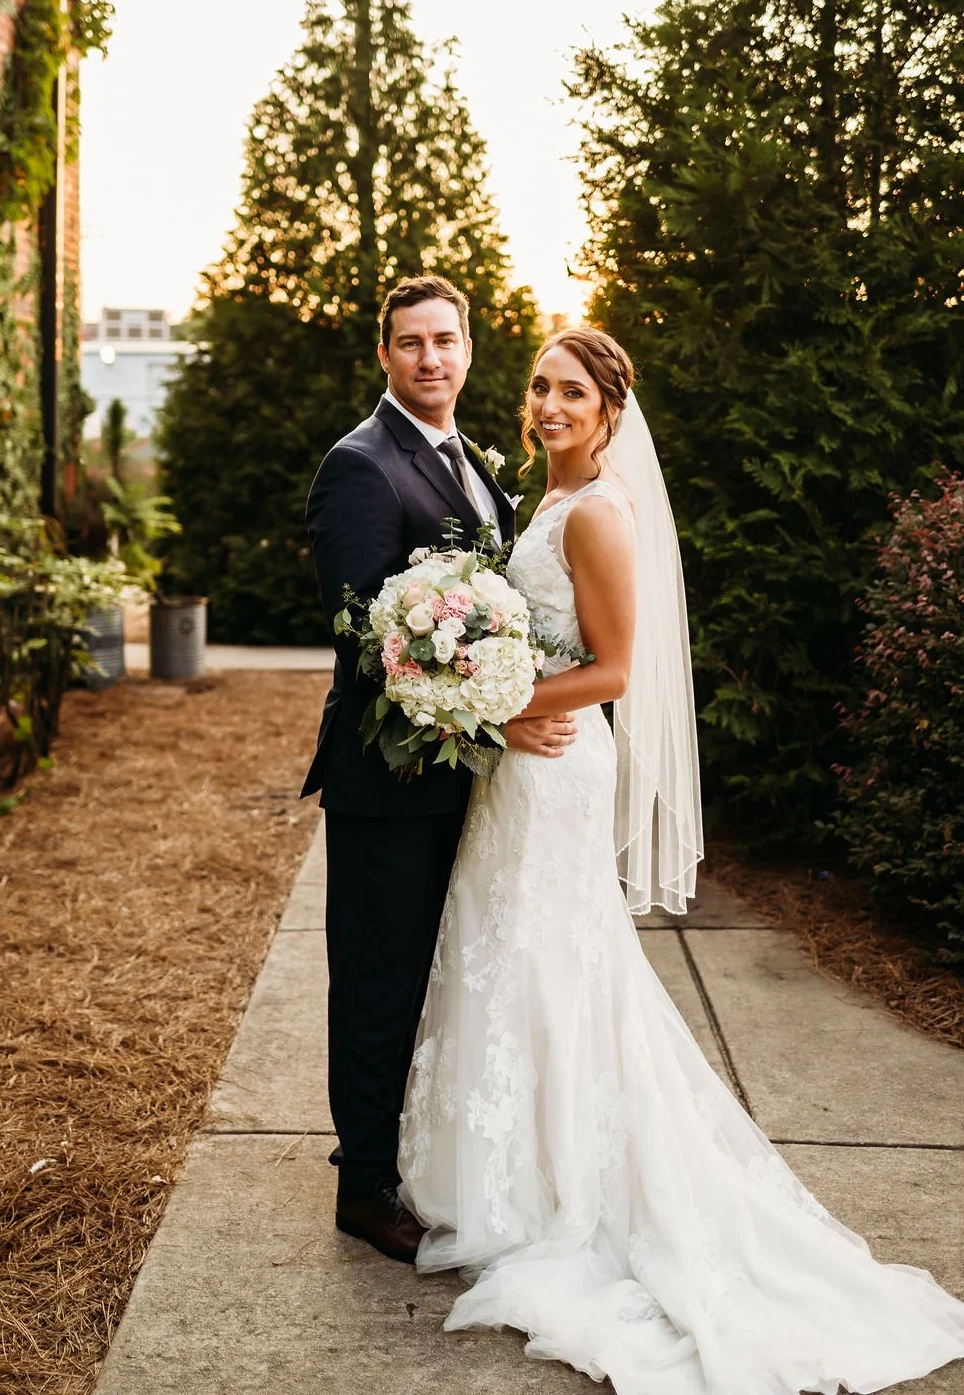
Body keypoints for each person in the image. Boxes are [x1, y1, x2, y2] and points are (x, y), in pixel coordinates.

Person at [398, 327, 964, 1393]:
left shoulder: (602, 513)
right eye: (540, 386)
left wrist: (493, 700)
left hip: (557, 765)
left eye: (573, 392)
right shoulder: (545, 503)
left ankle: (557, 1188)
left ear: (611, 413)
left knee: (553, 961)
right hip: (520, 763)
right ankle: (503, 1169)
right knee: (507, 953)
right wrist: (479, 686)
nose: (550, 404)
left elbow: (612, 669)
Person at [302, 275, 576, 1264]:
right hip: (391, 783)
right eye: (410, 343)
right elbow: (367, 638)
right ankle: (364, 1185)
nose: (430, 358)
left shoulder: (474, 465)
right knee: (378, 981)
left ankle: (409, 1155)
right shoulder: (360, 466)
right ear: (386, 356)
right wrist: (502, 713)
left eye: (445, 341)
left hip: (461, 777)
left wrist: (509, 709)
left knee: (435, 977)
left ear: (467, 348)